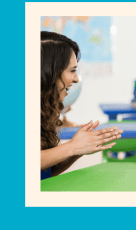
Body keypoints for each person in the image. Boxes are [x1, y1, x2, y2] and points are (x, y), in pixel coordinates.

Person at [41, 31, 123, 178]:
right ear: (49, 71)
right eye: (72, 70)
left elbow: (44, 171)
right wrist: (73, 146)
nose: (76, 79)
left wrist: (78, 150)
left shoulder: (44, 115)